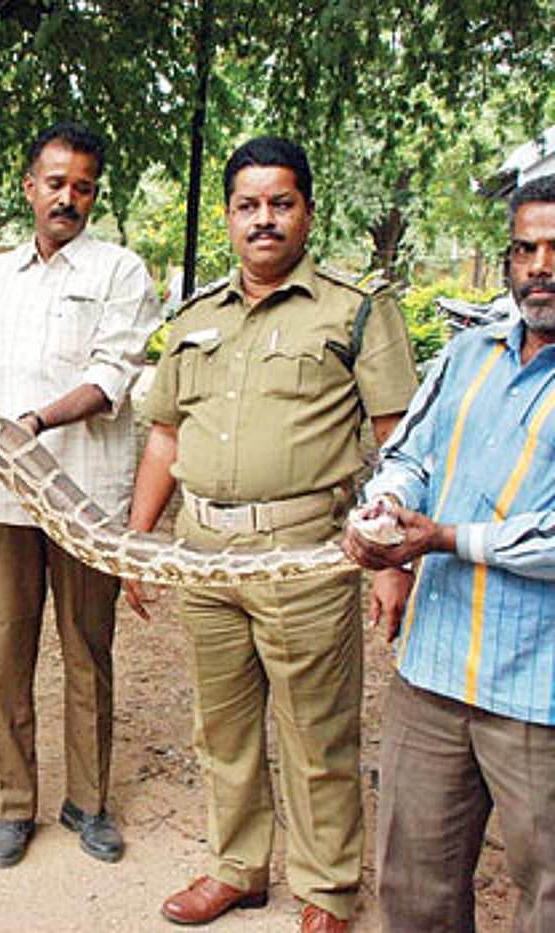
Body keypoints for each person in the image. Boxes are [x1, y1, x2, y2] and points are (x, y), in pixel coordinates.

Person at [126, 136, 416, 932]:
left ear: (308, 213)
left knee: (318, 732)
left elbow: (398, 441)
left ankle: (326, 891)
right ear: (227, 217)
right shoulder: (193, 319)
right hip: (202, 552)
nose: (264, 220)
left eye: (281, 203)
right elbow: (164, 437)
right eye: (248, 206)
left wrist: (395, 557)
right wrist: (138, 541)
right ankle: (237, 867)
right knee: (221, 726)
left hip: (304, 553)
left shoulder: (354, 310)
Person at [343, 174, 555, 933]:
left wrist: (441, 538)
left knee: (547, 894)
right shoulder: (468, 355)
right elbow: (409, 454)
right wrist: (387, 510)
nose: (541, 266)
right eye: (526, 248)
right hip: (433, 671)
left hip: (539, 691)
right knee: (414, 884)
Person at [0, 122, 159, 869]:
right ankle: (15, 805)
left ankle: (89, 801)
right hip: (2, 496)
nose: (66, 197)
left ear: (94, 193)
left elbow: (114, 375)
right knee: (6, 654)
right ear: (29, 186)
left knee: (86, 652)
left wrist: (33, 421)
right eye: (55, 182)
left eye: (82, 186)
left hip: (85, 495)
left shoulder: (121, 271)